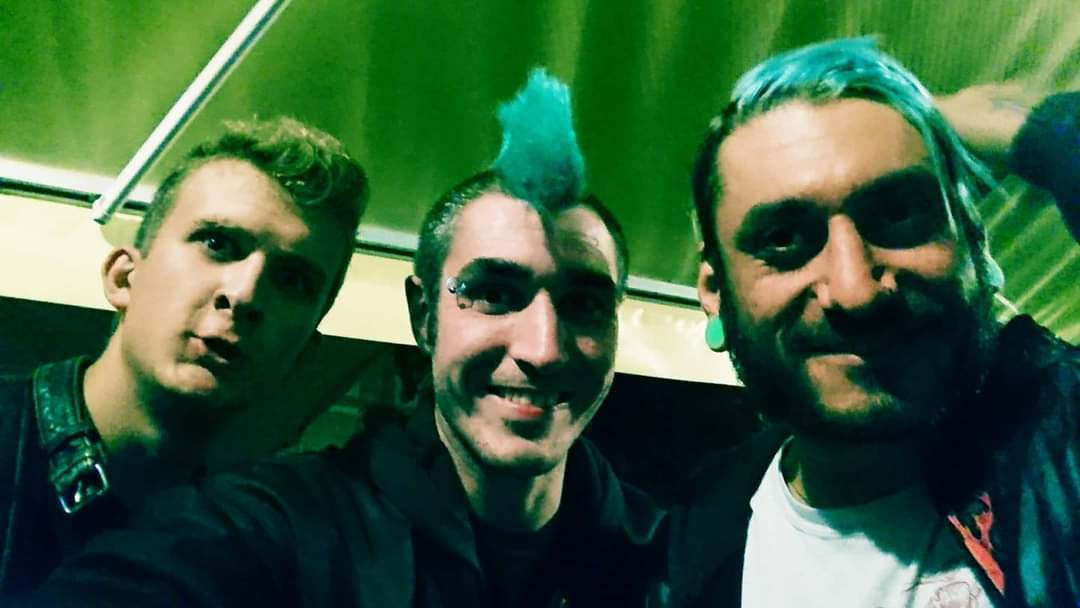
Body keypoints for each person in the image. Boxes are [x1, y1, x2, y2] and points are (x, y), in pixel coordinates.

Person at [13, 70, 663, 607]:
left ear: (310, 345)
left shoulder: (675, 557)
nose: (542, 348)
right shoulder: (270, 527)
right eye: (218, 243)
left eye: (294, 280)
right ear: (423, 317)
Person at [664, 38, 1078, 608]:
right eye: (783, 238)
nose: (856, 291)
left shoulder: (1065, 450)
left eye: (900, 213)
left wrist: (1042, 131)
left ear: (974, 245)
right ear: (716, 293)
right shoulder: (693, 537)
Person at [0, 117, 369, 592]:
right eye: (218, 243)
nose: (245, 294)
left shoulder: (248, 550)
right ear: (124, 277)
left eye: (293, 280)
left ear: (302, 355)